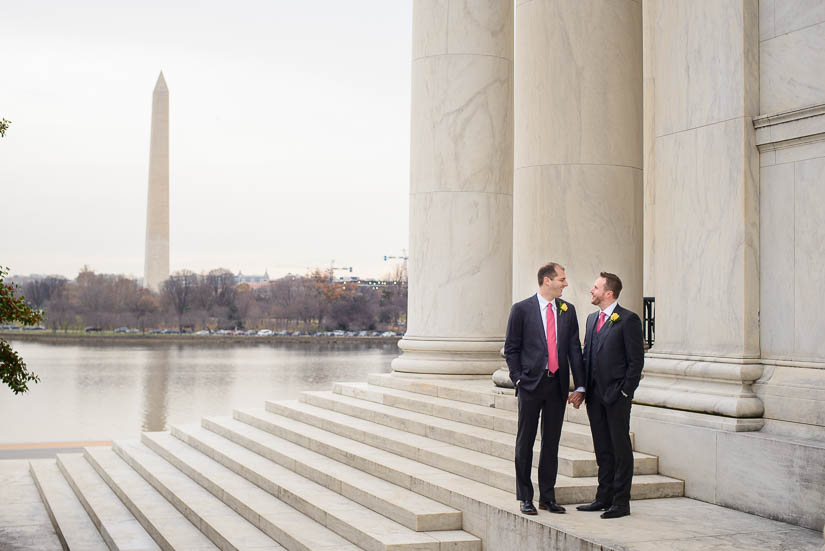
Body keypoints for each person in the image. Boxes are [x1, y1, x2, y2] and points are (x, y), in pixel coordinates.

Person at [505, 262, 585, 515]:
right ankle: (525, 497)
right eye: (562, 279)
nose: (565, 283)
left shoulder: (567, 310)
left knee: (551, 442)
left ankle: (547, 498)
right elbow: (512, 349)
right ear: (547, 281)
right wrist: (518, 379)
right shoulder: (521, 310)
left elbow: (574, 349)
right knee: (525, 441)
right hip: (530, 385)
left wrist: (580, 385)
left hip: (557, 386)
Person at [576, 272, 644, 519]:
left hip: (617, 397)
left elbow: (636, 362)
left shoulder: (628, 320)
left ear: (609, 293)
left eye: (595, 287)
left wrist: (625, 391)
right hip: (595, 398)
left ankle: (620, 502)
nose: (591, 291)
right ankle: (602, 497)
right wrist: (581, 389)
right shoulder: (592, 320)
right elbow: (587, 357)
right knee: (602, 448)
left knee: (620, 449)